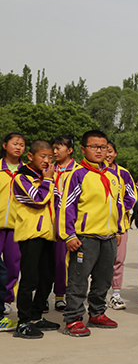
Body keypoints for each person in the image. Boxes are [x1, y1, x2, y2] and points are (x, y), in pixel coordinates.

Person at [58, 130, 123, 336]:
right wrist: (69, 235)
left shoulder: (113, 176)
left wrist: (119, 228)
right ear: (83, 149)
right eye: (94, 147)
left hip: (109, 237)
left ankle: (96, 313)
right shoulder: (78, 174)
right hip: (85, 237)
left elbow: (118, 205)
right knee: (78, 279)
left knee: (103, 279)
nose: (99, 151)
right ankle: (73, 318)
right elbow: (67, 206)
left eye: (103, 147)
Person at [12, 140, 60, 338]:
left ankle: (36, 315)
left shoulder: (48, 177)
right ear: (31, 156)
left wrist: (48, 180)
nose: (47, 160)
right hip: (30, 235)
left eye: (50, 157)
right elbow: (39, 199)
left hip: (48, 234)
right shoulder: (21, 177)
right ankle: (23, 322)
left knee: (47, 277)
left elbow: (57, 199)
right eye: (43, 156)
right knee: (29, 279)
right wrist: (48, 180)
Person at [106, 141, 136, 311]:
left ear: (115, 153)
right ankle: (98, 295)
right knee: (98, 262)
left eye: (110, 151)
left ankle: (115, 294)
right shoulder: (89, 172)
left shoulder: (123, 173)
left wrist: (116, 210)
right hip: (96, 225)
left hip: (119, 225)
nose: (107, 154)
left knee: (118, 260)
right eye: (104, 150)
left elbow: (131, 197)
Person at [1, 132, 26, 317]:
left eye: (22, 145)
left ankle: (7, 299)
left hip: (17, 226)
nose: (18, 147)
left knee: (13, 264)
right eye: (14, 143)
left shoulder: (27, 171)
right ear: (4, 145)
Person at [51, 134, 78, 312]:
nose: (54, 152)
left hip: (68, 222)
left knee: (65, 261)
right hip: (48, 221)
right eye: (53, 148)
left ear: (69, 150)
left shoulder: (78, 171)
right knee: (45, 261)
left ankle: (62, 295)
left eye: (58, 148)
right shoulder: (48, 169)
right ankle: (43, 295)